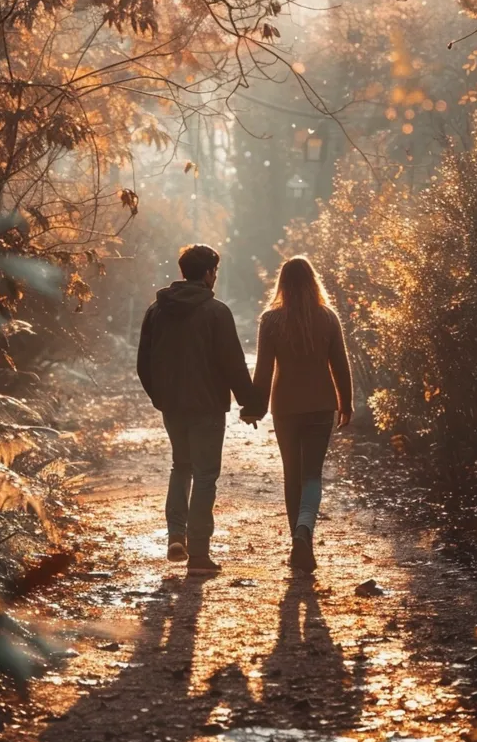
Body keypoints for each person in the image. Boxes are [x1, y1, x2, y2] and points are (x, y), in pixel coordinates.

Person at [137, 244, 258, 575]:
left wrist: (160, 396)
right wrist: (250, 403)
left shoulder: (156, 311)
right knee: (205, 475)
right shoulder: (216, 312)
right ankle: (200, 555)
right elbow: (233, 363)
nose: (215, 277)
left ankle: (176, 535)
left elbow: (143, 362)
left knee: (181, 466)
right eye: (214, 271)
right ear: (207, 273)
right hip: (207, 408)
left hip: (172, 407)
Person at [241, 256, 353, 574]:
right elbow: (340, 365)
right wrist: (346, 404)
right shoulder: (328, 317)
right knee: (312, 475)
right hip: (321, 405)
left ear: (282, 285)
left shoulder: (271, 320)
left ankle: (297, 541)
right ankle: (304, 534)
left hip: (286, 407)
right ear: (313, 282)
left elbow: (263, 372)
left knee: (293, 476)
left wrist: (255, 408)